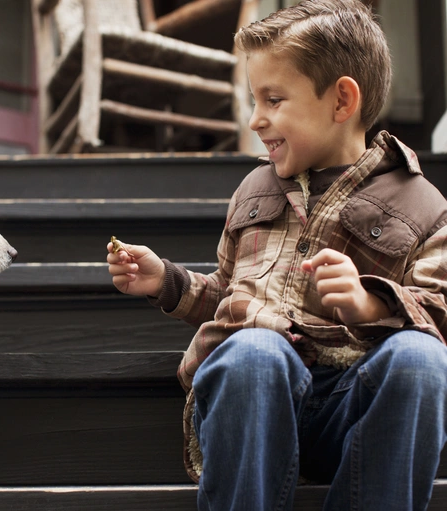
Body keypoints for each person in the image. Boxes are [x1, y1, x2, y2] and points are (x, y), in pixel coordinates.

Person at [106, 1, 447, 509]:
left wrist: (370, 305)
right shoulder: (253, 189)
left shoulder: (424, 206)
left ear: (341, 101)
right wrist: (168, 282)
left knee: (423, 359)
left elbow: (440, 311)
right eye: (253, 100)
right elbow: (226, 292)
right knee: (253, 351)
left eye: (273, 99)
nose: (254, 120)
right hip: (252, 405)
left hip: (354, 415)